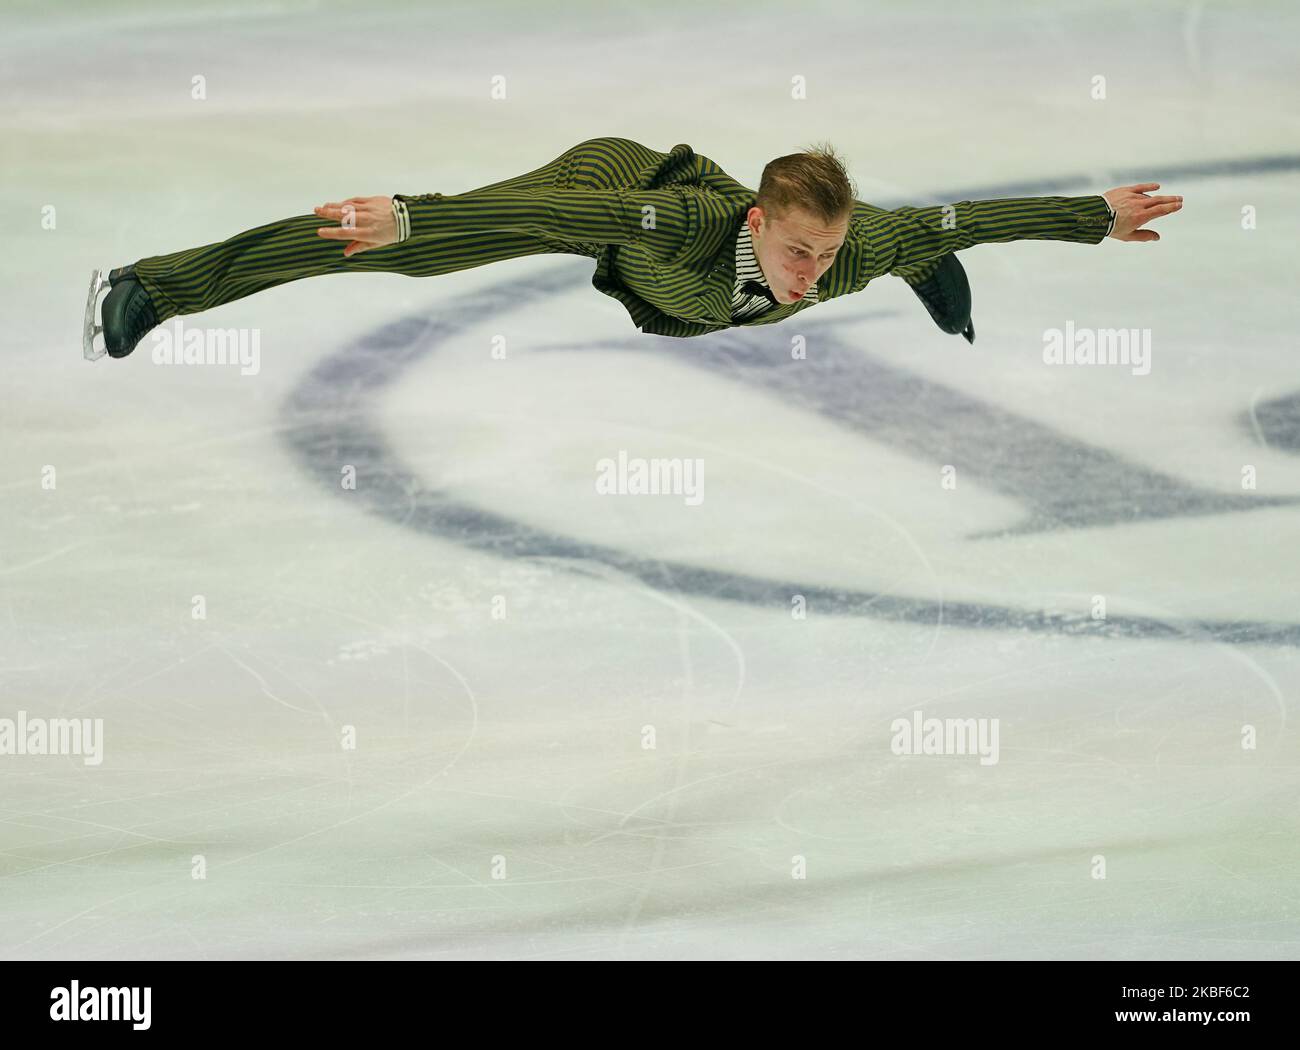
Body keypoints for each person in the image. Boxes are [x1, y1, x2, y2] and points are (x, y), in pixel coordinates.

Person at [83, 135, 1182, 360]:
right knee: (413, 252)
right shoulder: (687, 227)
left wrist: (1094, 216)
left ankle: (926, 284)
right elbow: (542, 223)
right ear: (759, 223)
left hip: (687, 275)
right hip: (614, 191)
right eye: (802, 254)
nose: (815, 274)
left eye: (828, 255)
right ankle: (157, 285)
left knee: (916, 248)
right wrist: (414, 222)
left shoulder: (848, 245)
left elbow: (965, 215)